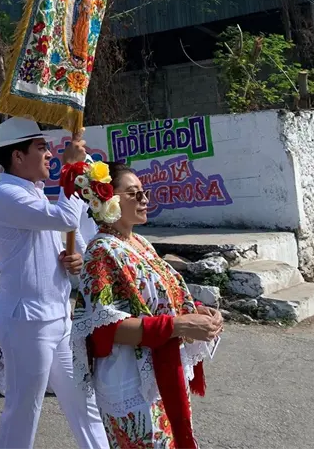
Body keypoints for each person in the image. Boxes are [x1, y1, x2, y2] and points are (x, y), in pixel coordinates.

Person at [67, 161, 222, 449]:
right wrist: (179, 325)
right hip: (130, 378)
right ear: (108, 200)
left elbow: (159, 300)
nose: (144, 199)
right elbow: (106, 328)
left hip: (158, 368)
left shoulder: (139, 242)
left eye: (144, 192)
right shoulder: (101, 252)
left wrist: (196, 312)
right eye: (133, 193)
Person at [0, 117, 107, 449]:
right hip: (27, 320)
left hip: (57, 316)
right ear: (17, 156)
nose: (51, 154)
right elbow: (66, 218)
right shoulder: (6, 194)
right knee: (24, 410)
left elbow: (49, 245)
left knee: (84, 403)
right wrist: (74, 170)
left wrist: (70, 261)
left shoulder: (34, 193)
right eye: (41, 148)